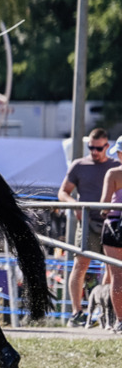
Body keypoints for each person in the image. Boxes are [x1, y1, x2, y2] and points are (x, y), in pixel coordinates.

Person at [58, 128, 120, 326]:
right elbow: (63, 192)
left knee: (112, 270)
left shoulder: (116, 166)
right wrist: (75, 205)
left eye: (98, 148)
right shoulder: (79, 165)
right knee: (80, 264)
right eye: (91, 147)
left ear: (106, 147)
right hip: (87, 221)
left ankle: (106, 313)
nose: (94, 151)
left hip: (111, 222)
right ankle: (77, 312)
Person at [97, 135, 122, 332]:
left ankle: (120, 320)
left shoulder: (113, 173)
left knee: (116, 276)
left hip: (115, 225)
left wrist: (104, 211)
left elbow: (104, 203)